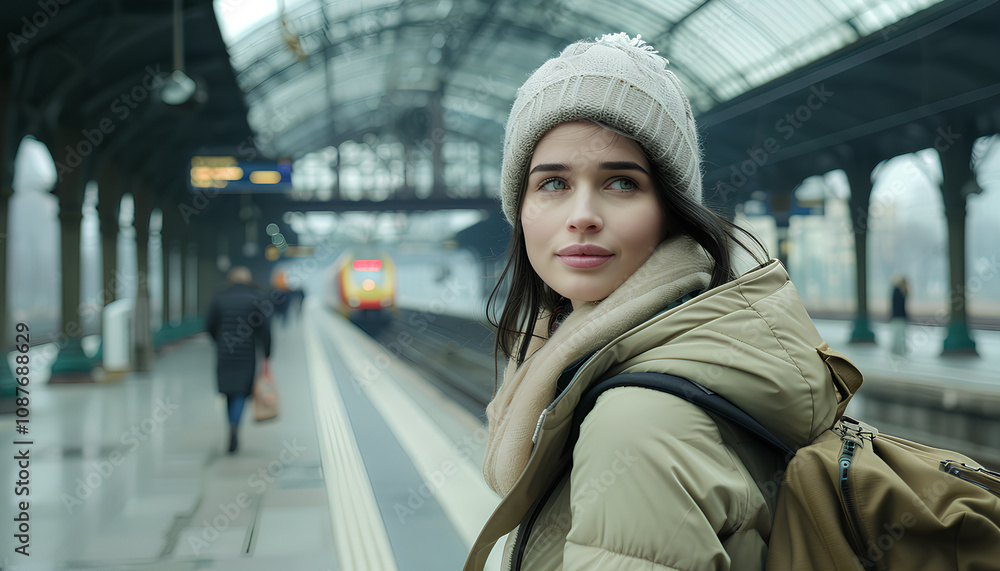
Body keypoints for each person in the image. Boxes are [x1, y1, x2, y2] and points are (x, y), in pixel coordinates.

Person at [465, 33, 842, 571]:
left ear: (671, 210)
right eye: (552, 183)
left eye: (620, 182)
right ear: (520, 209)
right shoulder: (652, 361)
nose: (583, 214)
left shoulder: (636, 427)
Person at [205, 266, 272, 453]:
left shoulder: (219, 298)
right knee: (241, 392)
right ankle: (235, 425)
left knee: (228, 391)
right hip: (247, 354)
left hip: (225, 352)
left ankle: (231, 424)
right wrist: (267, 352)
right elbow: (265, 329)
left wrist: (218, 341)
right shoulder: (256, 298)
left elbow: (209, 325)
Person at [890, 275, 909, 355]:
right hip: (899, 316)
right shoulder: (897, 290)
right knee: (899, 333)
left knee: (899, 333)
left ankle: (898, 347)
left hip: (898, 316)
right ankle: (898, 347)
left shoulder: (897, 290)